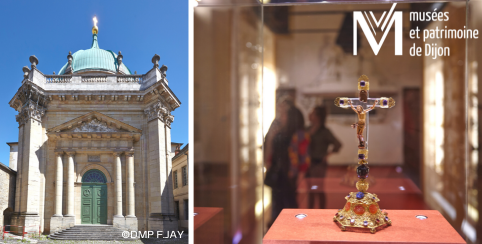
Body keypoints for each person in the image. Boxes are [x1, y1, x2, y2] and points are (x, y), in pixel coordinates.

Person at [265, 100, 309, 225]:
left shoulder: (299, 135)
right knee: (277, 203)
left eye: (284, 115)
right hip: (278, 173)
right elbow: (272, 151)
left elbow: (304, 157)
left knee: (290, 203)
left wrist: (300, 175)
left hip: (289, 175)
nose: (281, 117)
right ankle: (276, 227)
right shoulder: (280, 132)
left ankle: (291, 228)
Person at [306, 106, 341, 209]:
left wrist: (327, 155)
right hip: (308, 163)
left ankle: (322, 211)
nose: (310, 115)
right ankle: (310, 211)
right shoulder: (307, 129)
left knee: (319, 189)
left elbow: (338, 144)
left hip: (319, 164)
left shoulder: (324, 131)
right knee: (310, 189)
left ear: (318, 117)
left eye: (313, 113)